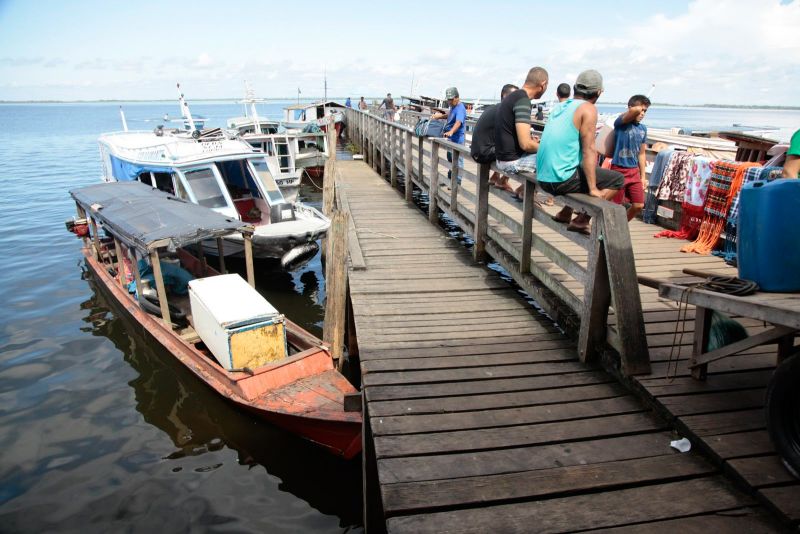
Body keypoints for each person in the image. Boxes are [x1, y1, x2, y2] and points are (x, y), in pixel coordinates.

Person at [536, 69, 623, 234]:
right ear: (598, 92)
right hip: (560, 180)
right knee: (617, 179)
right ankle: (582, 219)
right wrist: (592, 188)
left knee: (579, 169)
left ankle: (565, 212)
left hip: (542, 177)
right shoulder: (588, 108)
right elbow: (589, 150)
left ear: (575, 88)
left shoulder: (560, 106)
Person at [493, 66, 549, 194]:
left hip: (501, 159)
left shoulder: (512, 97)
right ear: (543, 84)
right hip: (510, 163)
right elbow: (525, 144)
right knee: (552, 157)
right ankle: (526, 192)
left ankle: (521, 188)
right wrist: (548, 147)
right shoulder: (523, 101)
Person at [607, 94, 651, 220]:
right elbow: (630, 113)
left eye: (645, 111)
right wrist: (634, 108)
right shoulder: (621, 123)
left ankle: (621, 226)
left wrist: (643, 177)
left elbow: (641, 154)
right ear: (630, 108)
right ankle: (606, 230)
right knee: (614, 205)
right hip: (619, 170)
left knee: (638, 205)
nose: (642, 113)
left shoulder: (643, 129)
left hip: (634, 171)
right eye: (641, 110)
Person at [470, 83, 519, 186]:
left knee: (508, 145)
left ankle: (495, 176)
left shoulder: (494, 108)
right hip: (483, 153)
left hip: (477, 151)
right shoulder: (505, 112)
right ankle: (505, 181)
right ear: (505, 96)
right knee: (521, 148)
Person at [432, 87, 467, 183]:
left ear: (457, 98)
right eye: (448, 99)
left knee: (458, 161)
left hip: (457, 139)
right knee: (450, 159)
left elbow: (458, 122)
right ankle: (450, 180)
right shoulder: (453, 106)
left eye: (451, 99)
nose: (449, 101)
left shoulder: (460, 108)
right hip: (450, 139)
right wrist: (440, 116)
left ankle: (457, 183)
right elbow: (450, 114)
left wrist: (451, 131)